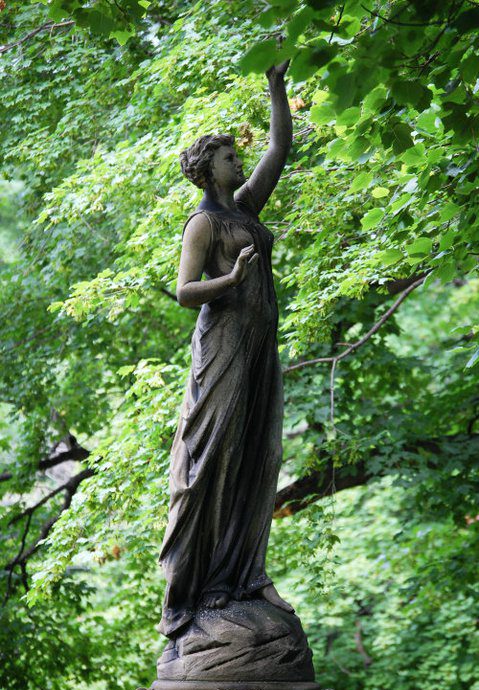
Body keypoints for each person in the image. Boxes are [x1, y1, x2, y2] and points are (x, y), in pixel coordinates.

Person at [158, 62, 293, 639]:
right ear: (207, 169)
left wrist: (277, 87)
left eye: (238, 156)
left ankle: (245, 576)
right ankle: (193, 589)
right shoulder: (204, 222)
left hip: (260, 345)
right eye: (229, 157)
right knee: (216, 458)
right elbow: (186, 292)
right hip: (224, 350)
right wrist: (233, 279)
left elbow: (280, 147)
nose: (239, 161)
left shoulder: (245, 208)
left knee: (260, 457)